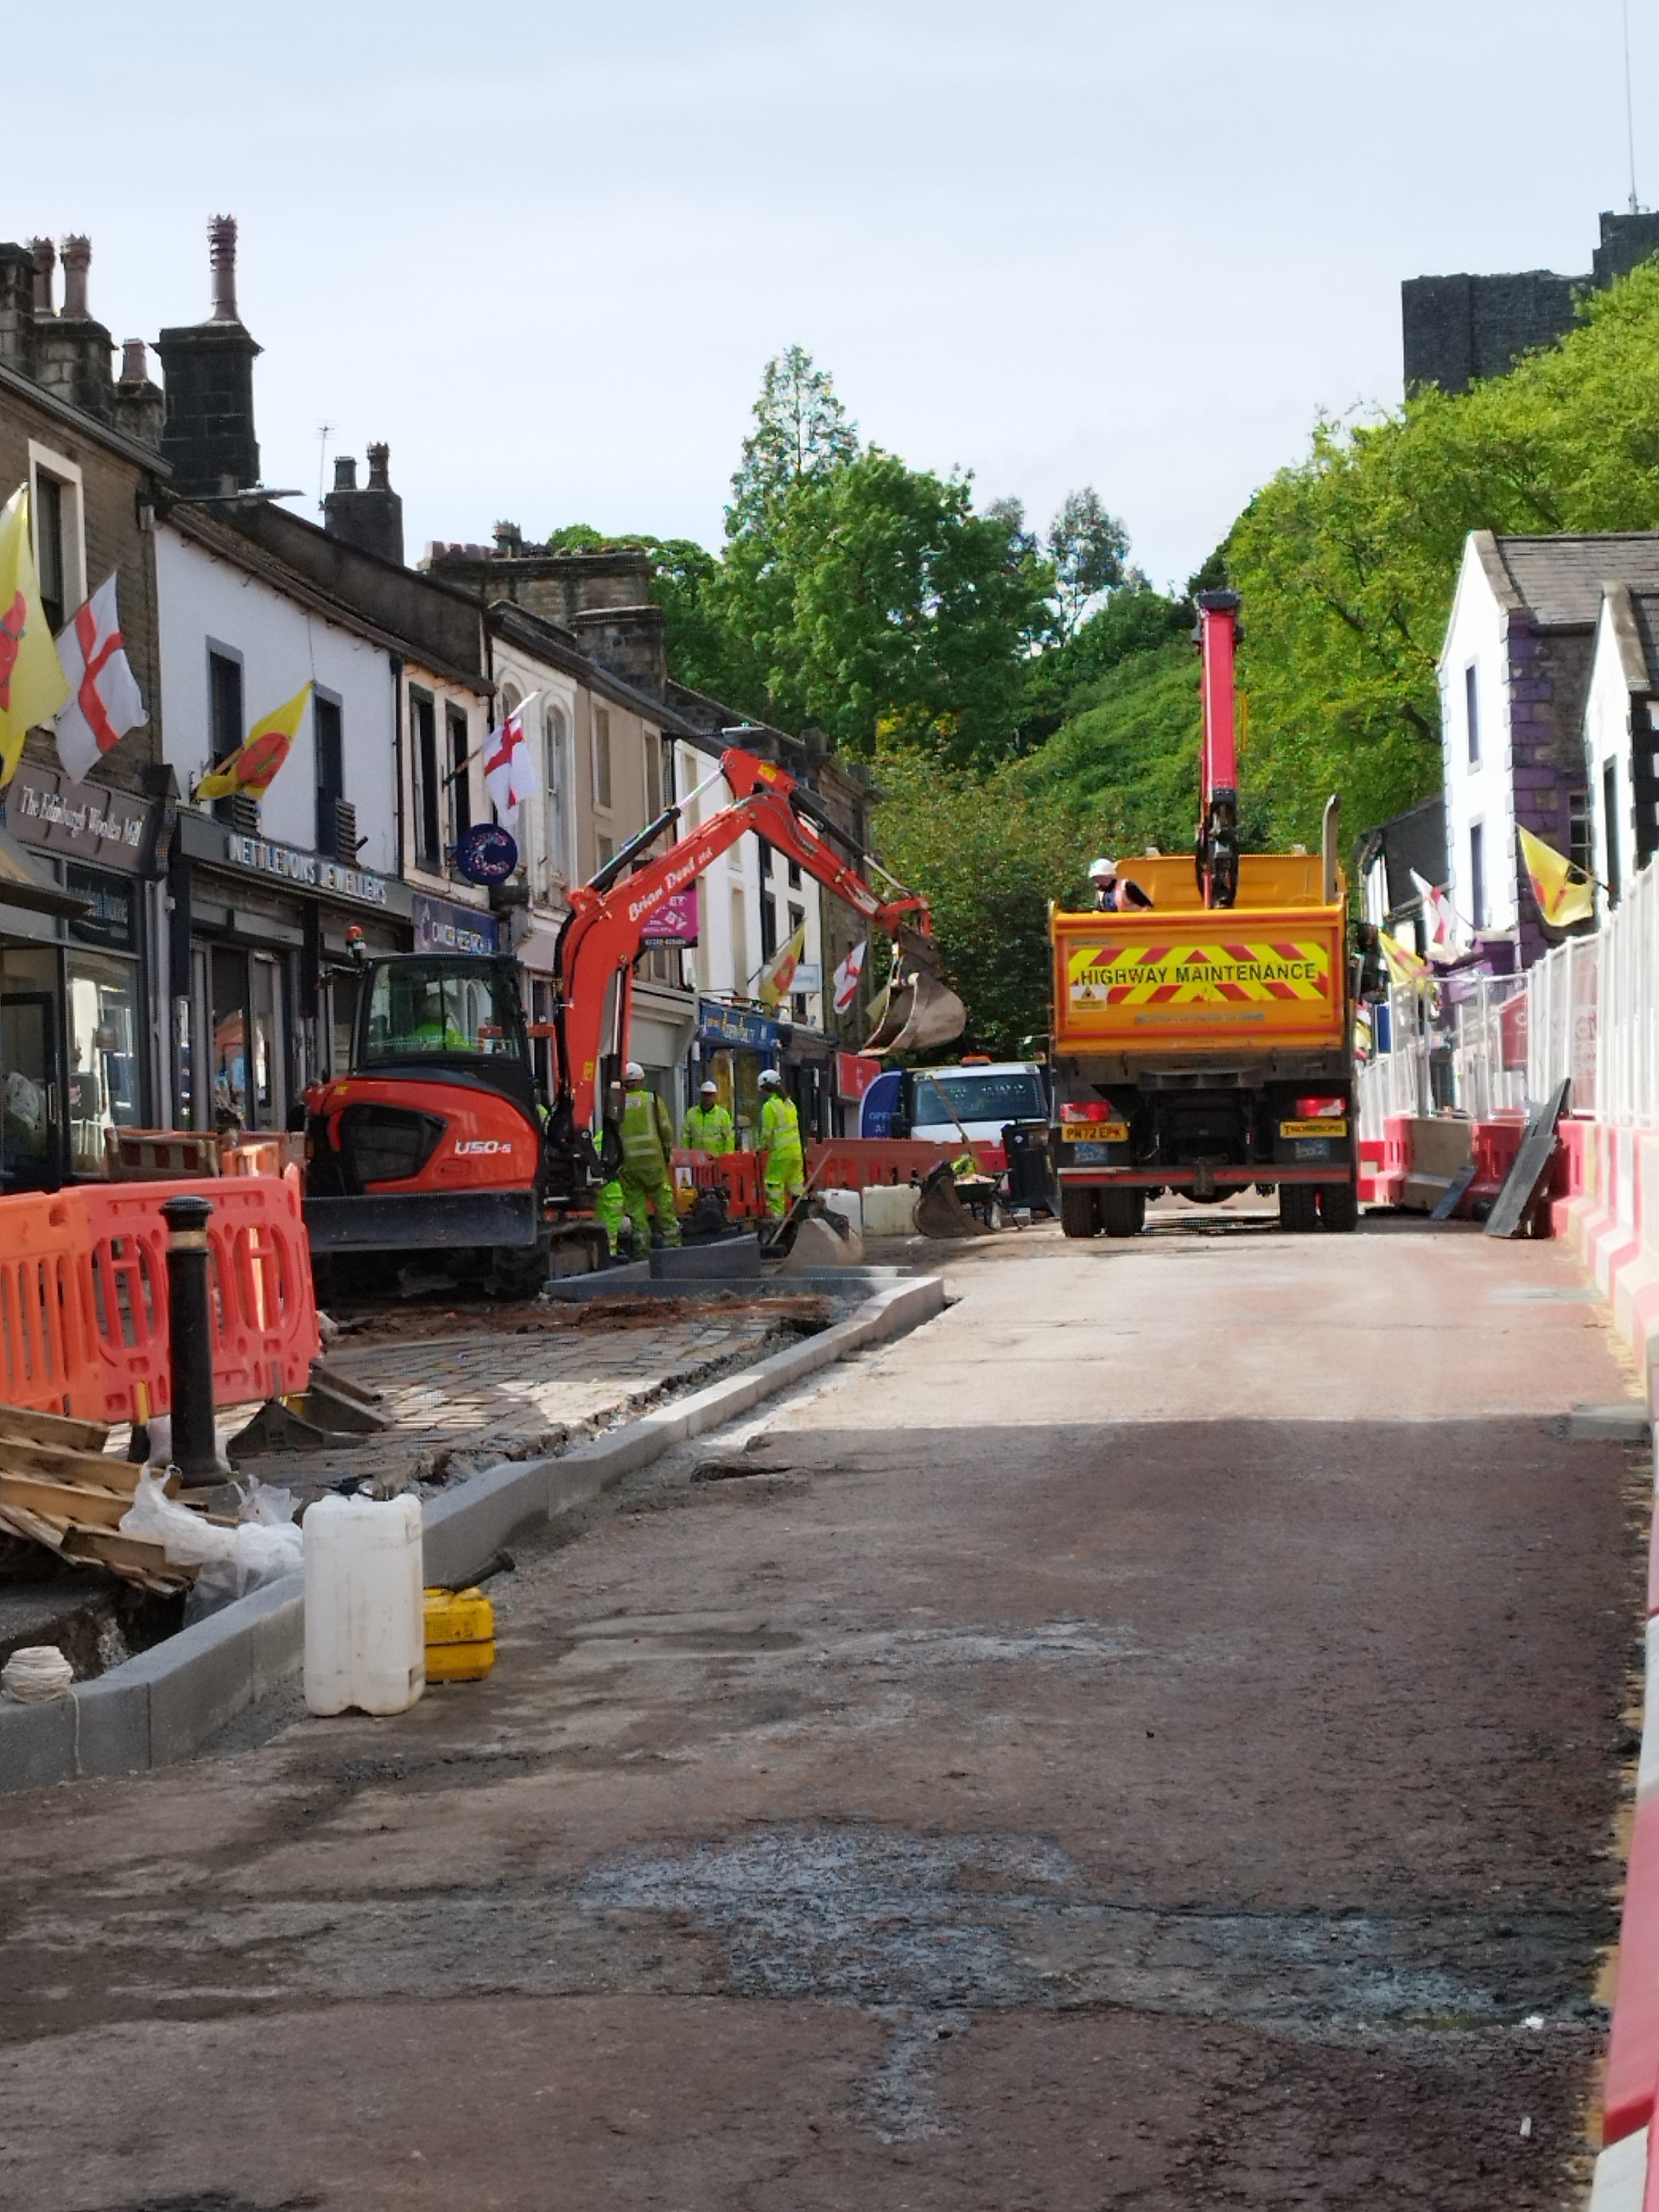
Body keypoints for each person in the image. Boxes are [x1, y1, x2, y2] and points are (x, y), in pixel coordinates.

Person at [618, 1060, 682, 1249]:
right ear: (641, 1081)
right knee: (664, 1205)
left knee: (636, 1212)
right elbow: (666, 1129)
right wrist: (668, 1152)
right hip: (653, 1162)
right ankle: (673, 1246)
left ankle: (642, 1250)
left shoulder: (616, 1104)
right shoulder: (652, 1100)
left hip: (628, 1166)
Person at [758, 1067, 804, 1217]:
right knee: (796, 1186)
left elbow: (767, 1133)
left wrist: (760, 1148)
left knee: (774, 1184)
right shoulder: (790, 1104)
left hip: (780, 1153)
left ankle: (778, 1220)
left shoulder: (770, 1107)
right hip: (796, 1152)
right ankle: (801, 1217)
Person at [681, 1078, 734, 1156]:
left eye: (710, 1094)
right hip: (696, 1160)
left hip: (716, 1159)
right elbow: (685, 1136)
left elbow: (729, 1138)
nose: (707, 1097)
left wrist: (726, 1157)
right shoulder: (691, 1114)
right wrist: (685, 1155)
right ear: (701, 1095)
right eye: (705, 1094)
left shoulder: (723, 1115)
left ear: (714, 1096)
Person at [1088, 855, 1154, 912]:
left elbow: (1148, 906)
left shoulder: (1127, 886)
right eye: (1096, 877)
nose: (1098, 880)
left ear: (1109, 875)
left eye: (1100, 877)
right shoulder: (1100, 893)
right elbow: (1098, 912)